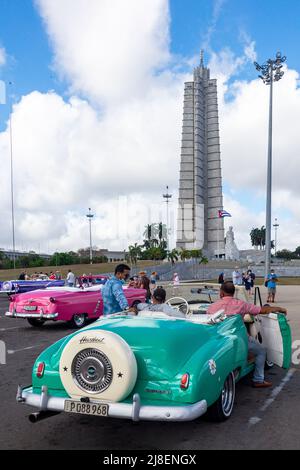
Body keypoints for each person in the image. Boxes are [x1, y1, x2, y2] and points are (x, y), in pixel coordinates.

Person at [206, 281, 287, 388]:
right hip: (240, 340)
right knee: (261, 351)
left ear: (221, 294)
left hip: (219, 341)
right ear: (233, 293)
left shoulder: (212, 307)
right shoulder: (241, 304)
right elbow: (261, 310)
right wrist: (279, 308)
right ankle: (258, 379)